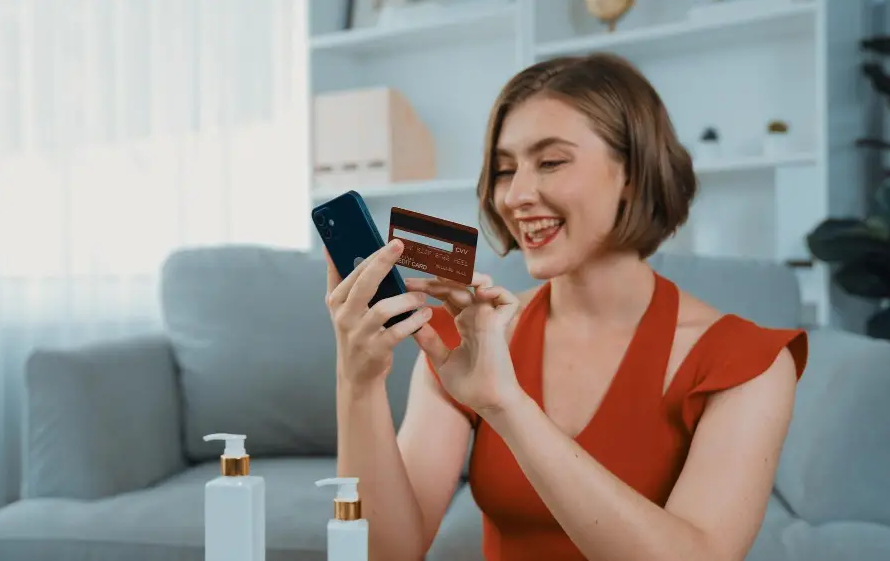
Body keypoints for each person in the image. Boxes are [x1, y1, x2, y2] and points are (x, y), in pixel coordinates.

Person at [323, 53, 809, 561]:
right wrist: (357, 382)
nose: (515, 195)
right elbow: (384, 554)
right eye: (505, 169)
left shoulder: (747, 363)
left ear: (633, 173)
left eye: (551, 161)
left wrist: (506, 407)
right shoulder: (466, 340)